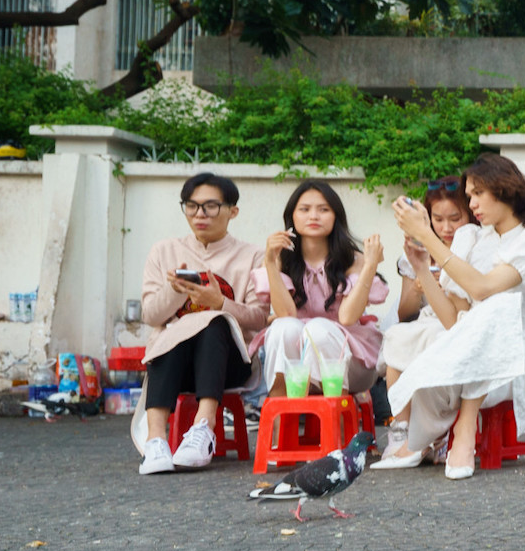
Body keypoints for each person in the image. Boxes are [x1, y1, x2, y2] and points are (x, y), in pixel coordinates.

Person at [372, 155, 525, 480]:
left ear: (504, 189)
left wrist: (427, 235)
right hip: (468, 344)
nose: (472, 204)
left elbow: (483, 288)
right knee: (409, 335)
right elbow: (453, 318)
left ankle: (464, 428)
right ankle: (418, 438)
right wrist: (421, 268)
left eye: (477, 194)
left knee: (495, 308)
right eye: (469, 196)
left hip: (513, 358)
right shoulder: (473, 238)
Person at [132, 172, 268, 475]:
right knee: (172, 331)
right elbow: (151, 315)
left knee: (213, 322)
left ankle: (203, 429)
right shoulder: (164, 251)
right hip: (173, 365)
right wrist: (174, 292)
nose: (199, 215)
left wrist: (219, 303)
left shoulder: (253, 256)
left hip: (230, 365)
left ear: (233, 211)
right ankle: (156, 440)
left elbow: (259, 318)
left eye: (210, 206)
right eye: (191, 206)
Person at [251, 179, 388, 399]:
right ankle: (279, 419)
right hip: (298, 365)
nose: (313, 216)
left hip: (350, 362)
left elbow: (347, 317)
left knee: (318, 329)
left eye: (323, 210)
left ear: (336, 217)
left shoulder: (355, 260)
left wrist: (371, 265)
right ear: (292, 216)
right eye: (304, 210)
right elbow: (286, 314)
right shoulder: (278, 259)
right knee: (282, 328)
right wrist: (269, 262)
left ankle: (337, 424)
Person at [379, 178, 475, 458]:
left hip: (458, 319)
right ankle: (401, 427)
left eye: (455, 218)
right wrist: (420, 283)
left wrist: (443, 287)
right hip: (425, 319)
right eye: (438, 219)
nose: (446, 228)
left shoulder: (471, 246)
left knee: (436, 338)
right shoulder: (419, 251)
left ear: (468, 215)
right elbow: (406, 312)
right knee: (397, 336)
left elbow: (466, 303)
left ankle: (441, 432)